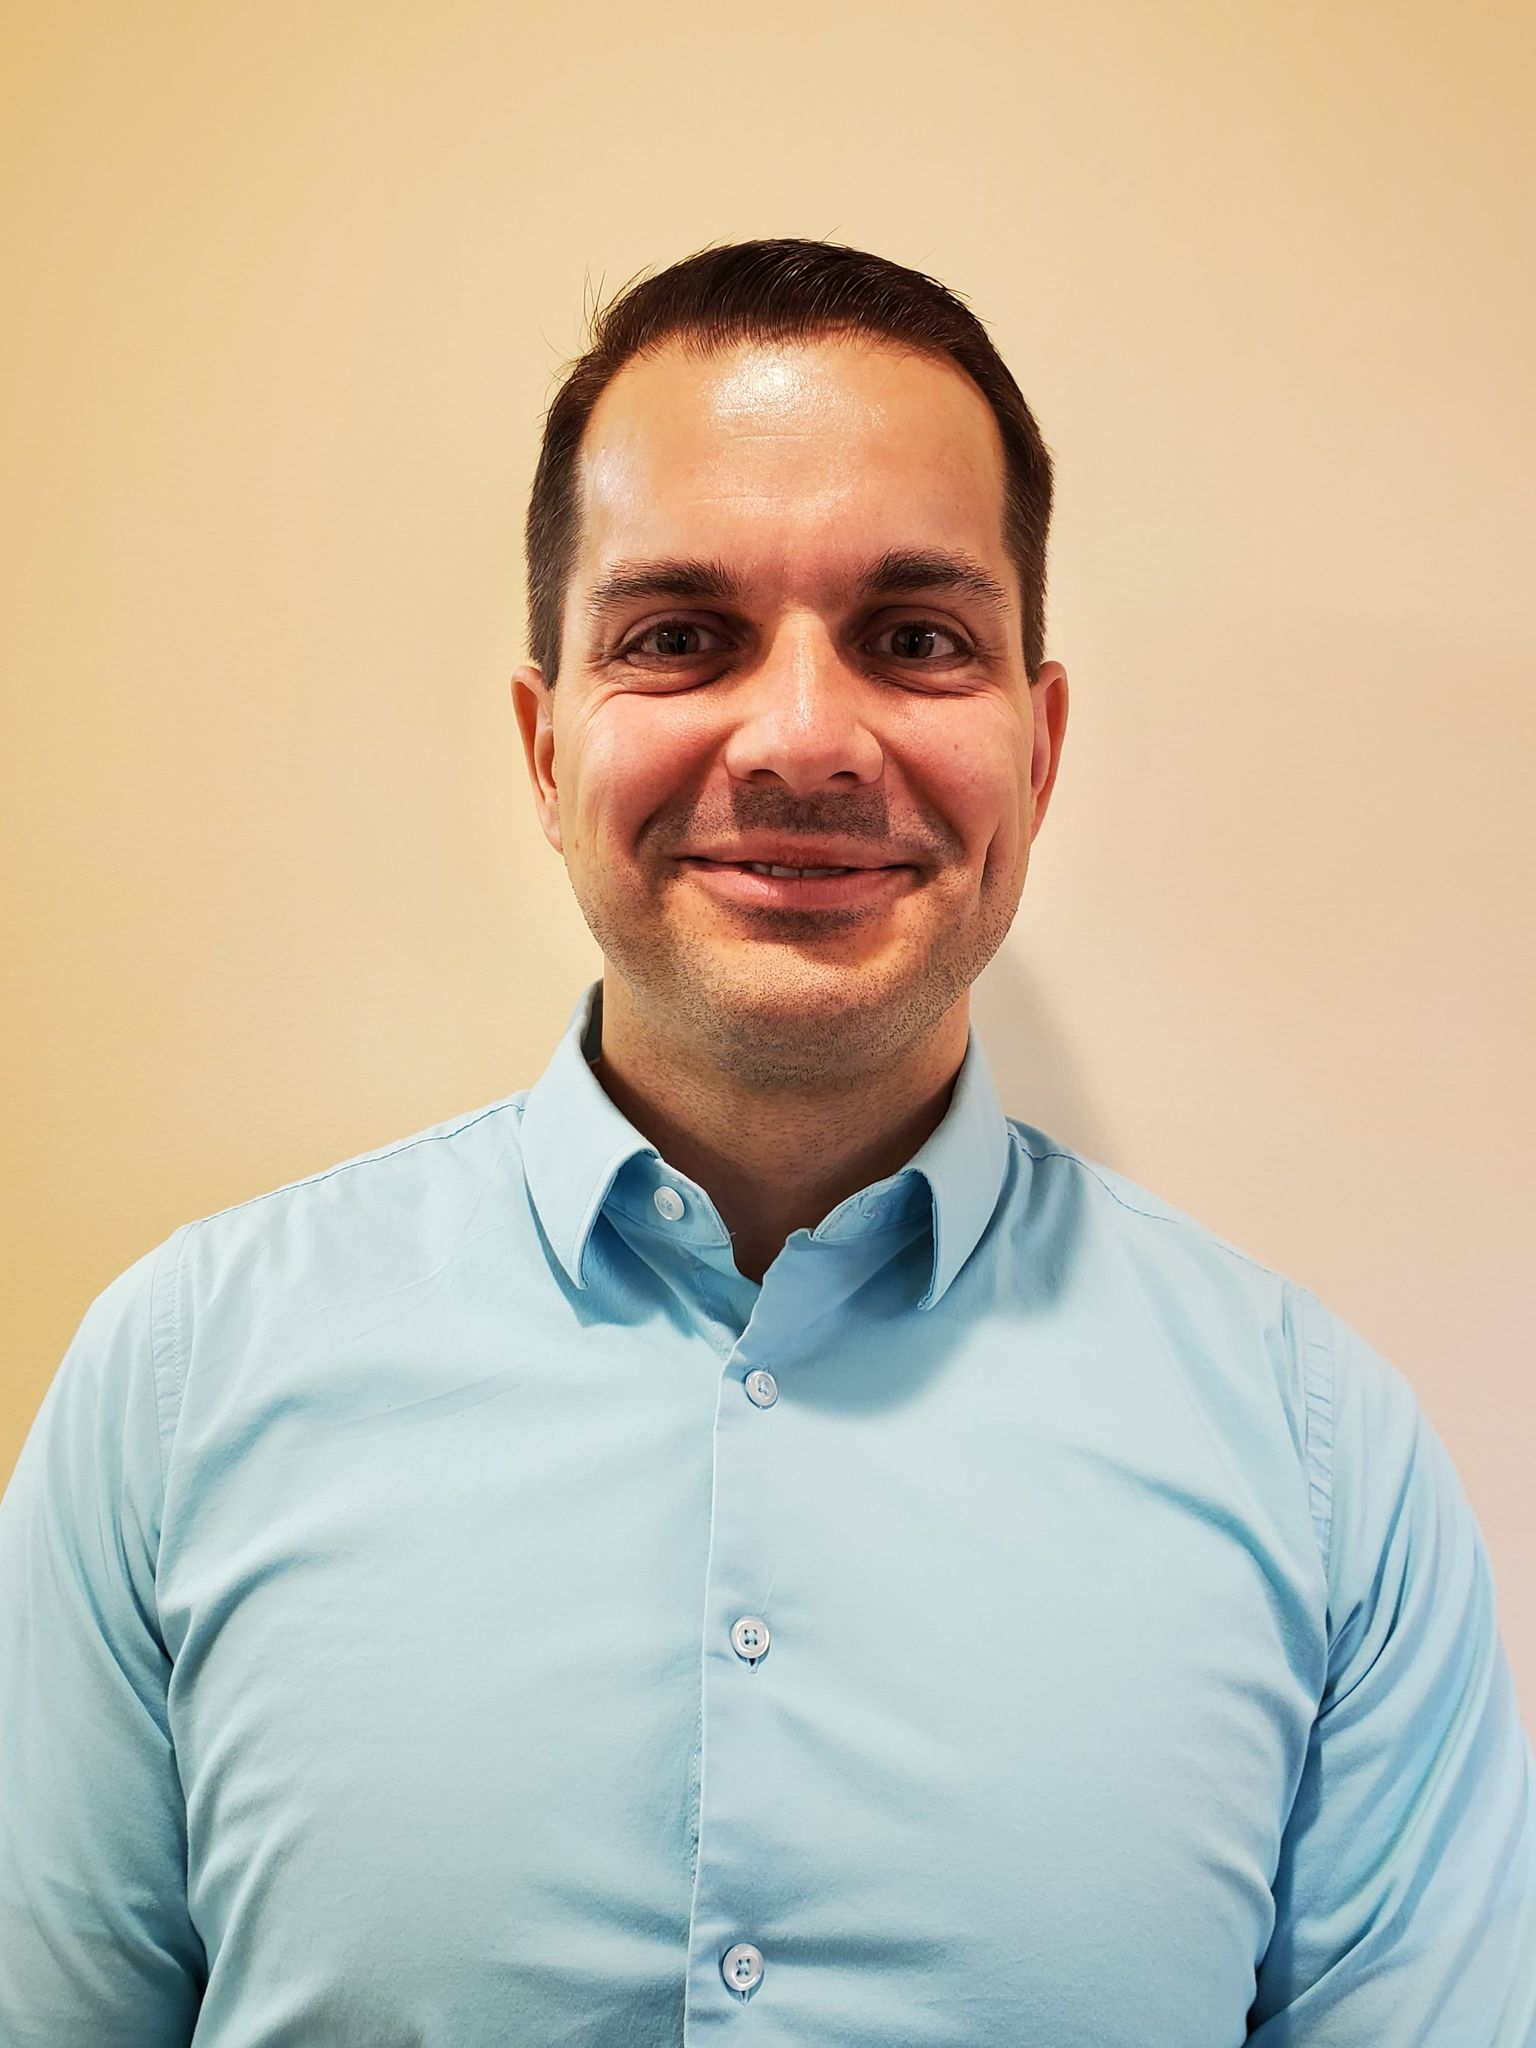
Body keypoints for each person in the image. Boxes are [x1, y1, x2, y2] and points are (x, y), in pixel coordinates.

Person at [1, 237, 1531, 2046]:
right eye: (680, 637)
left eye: (914, 639)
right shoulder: (178, 1387)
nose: (804, 739)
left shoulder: (1323, 1467)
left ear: (1038, 752)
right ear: (546, 746)